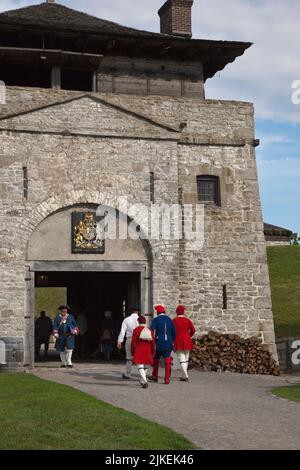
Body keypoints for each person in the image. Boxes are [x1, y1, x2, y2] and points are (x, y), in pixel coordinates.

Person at [149, 305, 176, 385]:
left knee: (156, 360)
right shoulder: (169, 320)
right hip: (168, 342)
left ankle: (155, 376)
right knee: (167, 360)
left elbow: (151, 330)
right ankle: (167, 379)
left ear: (157, 312)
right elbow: (174, 333)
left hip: (158, 342)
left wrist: (152, 341)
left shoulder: (156, 320)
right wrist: (172, 341)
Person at [131, 316, 155, 389]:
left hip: (139, 349)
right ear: (145, 322)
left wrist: (133, 351)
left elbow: (133, 343)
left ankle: (145, 381)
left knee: (140, 366)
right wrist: (153, 351)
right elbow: (153, 342)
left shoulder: (136, 330)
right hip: (147, 350)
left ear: (139, 322)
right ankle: (142, 380)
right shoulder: (149, 330)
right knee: (145, 366)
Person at [173, 305, 196, 382]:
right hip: (187, 339)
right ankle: (184, 375)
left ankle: (185, 375)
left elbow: (171, 332)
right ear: (183, 312)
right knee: (186, 358)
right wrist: (189, 336)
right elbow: (193, 330)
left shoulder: (174, 321)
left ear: (177, 312)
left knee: (181, 358)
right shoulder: (188, 320)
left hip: (178, 339)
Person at [117, 308, 139, 379]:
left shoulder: (126, 319)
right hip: (139, 340)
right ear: (137, 312)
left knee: (129, 357)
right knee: (140, 357)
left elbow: (123, 331)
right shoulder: (141, 319)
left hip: (130, 338)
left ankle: (128, 373)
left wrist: (120, 341)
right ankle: (142, 375)